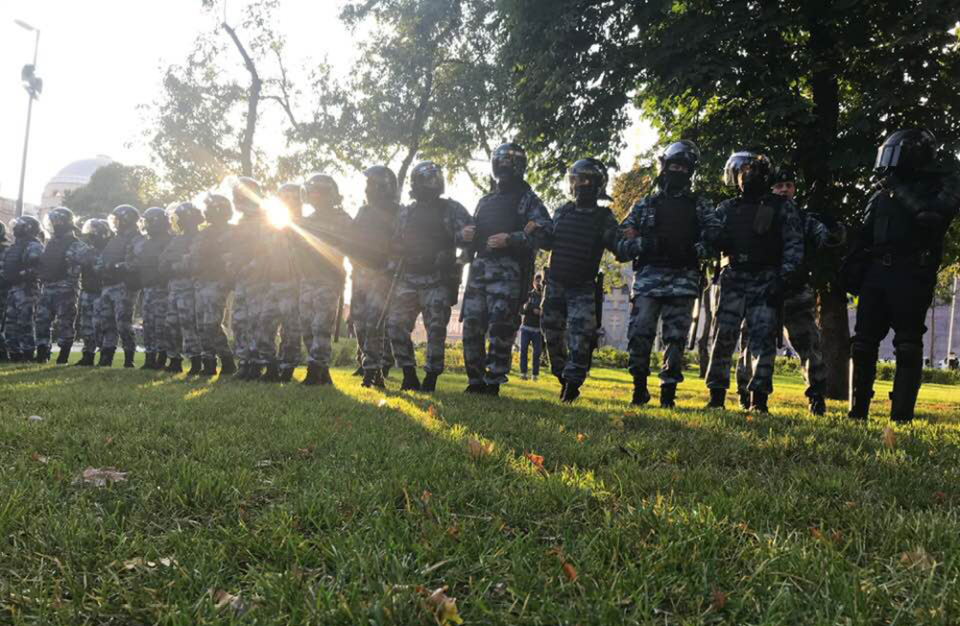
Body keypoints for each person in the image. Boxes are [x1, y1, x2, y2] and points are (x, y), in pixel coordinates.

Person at [846, 128, 960, 422]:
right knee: (862, 343)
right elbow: (865, 234)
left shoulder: (941, 185)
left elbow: (932, 218)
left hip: (911, 271)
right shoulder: (881, 192)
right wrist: (852, 269)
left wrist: (898, 189)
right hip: (876, 273)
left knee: (908, 344)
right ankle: (858, 411)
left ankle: (901, 415)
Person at [735, 167, 846, 415]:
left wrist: (834, 229)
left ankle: (816, 397)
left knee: (808, 344)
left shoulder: (804, 218)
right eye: (779, 186)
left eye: (789, 185)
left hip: (795, 291)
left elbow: (828, 239)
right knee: (753, 344)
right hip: (762, 290)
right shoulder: (756, 214)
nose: (784, 190)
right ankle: (748, 395)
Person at [616, 140, 715, 408]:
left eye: (684, 167)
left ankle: (668, 394)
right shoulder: (645, 205)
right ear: (664, 166)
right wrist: (645, 244)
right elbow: (620, 245)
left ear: (690, 172)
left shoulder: (700, 205)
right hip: (648, 280)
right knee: (639, 333)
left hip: (683, 279)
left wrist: (693, 249)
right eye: (674, 166)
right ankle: (639, 389)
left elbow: (716, 238)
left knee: (675, 338)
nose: (678, 171)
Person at [704, 151, 803, 412]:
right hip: (733, 278)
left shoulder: (781, 207)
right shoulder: (726, 208)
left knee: (763, 340)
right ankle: (716, 396)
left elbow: (793, 244)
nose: (747, 177)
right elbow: (708, 237)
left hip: (766, 279)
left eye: (753, 172)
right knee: (723, 337)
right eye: (743, 172)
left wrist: (784, 277)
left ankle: (759, 399)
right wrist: (716, 239)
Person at [461, 143, 551, 396]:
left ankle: (493, 381)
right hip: (479, 270)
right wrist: (466, 237)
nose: (503, 167)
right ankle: (475, 380)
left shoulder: (529, 200)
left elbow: (547, 234)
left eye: (508, 162)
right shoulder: (485, 202)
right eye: (499, 161)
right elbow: (473, 234)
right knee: (472, 325)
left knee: (501, 327)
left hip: (509, 273)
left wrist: (512, 239)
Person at [387, 161, 473, 392]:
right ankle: (408, 374)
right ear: (416, 182)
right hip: (408, 278)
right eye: (428, 179)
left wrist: (459, 260)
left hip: (437, 280)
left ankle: (431, 379)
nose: (433, 183)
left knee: (435, 331)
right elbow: (395, 243)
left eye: (436, 178)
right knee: (395, 325)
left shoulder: (452, 209)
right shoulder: (406, 212)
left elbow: (470, 238)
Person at [541, 158, 620, 402]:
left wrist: (635, 238)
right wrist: (534, 231)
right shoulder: (563, 211)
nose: (580, 184)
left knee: (580, 338)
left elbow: (621, 248)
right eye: (577, 179)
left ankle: (572, 385)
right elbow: (548, 240)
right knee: (551, 333)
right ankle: (562, 377)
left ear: (597, 184)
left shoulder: (603, 218)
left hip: (582, 288)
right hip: (555, 284)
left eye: (586, 180)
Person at [296, 174, 353, 385]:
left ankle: (315, 371)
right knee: (307, 326)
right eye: (312, 192)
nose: (315, 196)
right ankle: (323, 371)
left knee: (321, 326)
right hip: (307, 279)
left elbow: (353, 247)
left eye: (318, 192)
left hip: (328, 279)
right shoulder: (307, 221)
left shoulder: (343, 220)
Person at [349, 166, 400, 389]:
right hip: (360, 275)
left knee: (374, 324)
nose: (367, 189)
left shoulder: (399, 213)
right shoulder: (364, 212)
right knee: (359, 322)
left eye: (371, 184)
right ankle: (370, 366)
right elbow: (352, 238)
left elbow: (402, 244)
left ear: (383, 187)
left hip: (383, 276)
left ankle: (372, 370)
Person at [254, 183, 303, 383]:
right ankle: (271, 366)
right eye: (285, 197)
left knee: (291, 331)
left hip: (295, 284)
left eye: (293, 197)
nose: (289, 201)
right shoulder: (271, 227)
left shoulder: (307, 226)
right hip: (274, 284)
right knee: (263, 326)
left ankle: (287, 369)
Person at [226, 178, 270, 380]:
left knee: (255, 322)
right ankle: (244, 362)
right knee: (239, 322)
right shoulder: (242, 221)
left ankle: (256, 364)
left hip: (258, 280)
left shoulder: (264, 220)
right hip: (241, 280)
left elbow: (267, 251)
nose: (236, 199)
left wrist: (249, 267)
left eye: (239, 195)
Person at [190, 193, 236, 376]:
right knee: (201, 325)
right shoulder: (204, 233)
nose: (206, 211)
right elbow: (194, 256)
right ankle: (209, 363)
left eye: (209, 208)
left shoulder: (231, 232)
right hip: (201, 282)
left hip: (217, 282)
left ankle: (227, 360)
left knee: (211, 324)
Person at [35, 207, 86, 364]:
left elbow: (86, 264)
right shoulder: (52, 243)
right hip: (47, 287)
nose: (54, 224)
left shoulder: (77, 245)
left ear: (64, 222)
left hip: (66, 288)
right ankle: (42, 353)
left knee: (65, 323)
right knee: (42, 320)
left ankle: (63, 356)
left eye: (56, 221)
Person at [95, 205, 143, 368]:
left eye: (117, 219)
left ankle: (129, 359)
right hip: (108, 285)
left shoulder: (137, 239)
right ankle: (106, 357)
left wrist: (118, 266)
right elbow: (103, 258)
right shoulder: (115, 239)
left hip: (124, 286)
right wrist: (101, 267)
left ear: (126, 220)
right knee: (106, 323)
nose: (115, 223)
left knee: (123, 323)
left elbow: (139, 262)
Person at [161, 202, 205, 376]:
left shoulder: (200, 238)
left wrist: (175, 265)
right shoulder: (177, 239)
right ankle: (174, 360)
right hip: (174, 288)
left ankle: (196, 361)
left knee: (189, 325)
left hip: (189, 289)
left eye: (180, 217)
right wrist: (172, 265)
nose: (177, 221)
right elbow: (163, 261)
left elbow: (194, 263)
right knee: (171, 324)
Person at [130, 207, 174, 371]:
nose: (146, 225)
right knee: (148, 325)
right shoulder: (146, 243)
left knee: (162, 325)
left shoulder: (170, 241)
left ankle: (162, 358)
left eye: (148, 222)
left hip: (163, 290)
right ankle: (150, 359)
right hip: (148, 289)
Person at [1, 216, 44, 362]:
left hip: (27, 290)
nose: (14, 229)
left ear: (28, 228)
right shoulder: (15, 246)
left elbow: (38, 268)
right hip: (13, 289)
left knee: (25, 323)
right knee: (10, 324)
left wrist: (21, 274)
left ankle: (27, 354)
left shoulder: (34, 246)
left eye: (18, 226)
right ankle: (14, 354)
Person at [74, 219, 112, 367]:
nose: (90, 237)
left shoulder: (108, 251)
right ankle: (87, 355)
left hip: (101, 292)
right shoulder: (87, 250)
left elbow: (101, 269)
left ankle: (105, 356)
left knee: (101, 325)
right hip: (87, 291)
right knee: (86, 326)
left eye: (93, 234)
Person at [519, 273, 545, 381]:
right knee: (523, 351)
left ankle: (535, 375)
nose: (538, 283)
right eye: (536, 281)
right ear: (533, 282)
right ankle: (523, 373)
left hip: (538, 330)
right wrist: (530, 308)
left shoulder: (544, 297)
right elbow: (522, 310)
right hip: (526, 327)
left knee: (536, 353)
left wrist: (541, 313)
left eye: (540, 281)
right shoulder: (529, 295)